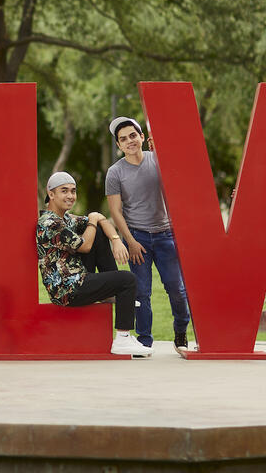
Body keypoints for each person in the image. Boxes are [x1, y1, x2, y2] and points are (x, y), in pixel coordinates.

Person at [37, 172, 150, 357]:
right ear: (51, 194)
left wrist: (115, 240)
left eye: (73, 191)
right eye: (64, 191)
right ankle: (122, 339)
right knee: (128, 279)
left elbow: (100, 220)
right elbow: (85, 246)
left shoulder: (66, 219)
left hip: (78, 277)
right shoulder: (50, 223)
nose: (70, 196)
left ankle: (112, 293)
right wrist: (93, 219)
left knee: (97, 231)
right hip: (66, 290)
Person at [105, 116, 191, 355]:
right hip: (137, 237)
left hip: (166, 235)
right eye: (123, 139)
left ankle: (181, 332)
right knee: (141, 292)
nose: (130, 141)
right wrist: (130, 241)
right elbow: (115, 211)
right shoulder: (115, 173)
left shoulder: (158, 160)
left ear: (142, 137)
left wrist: (164, 153)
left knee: (176, 288)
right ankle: (144, 341)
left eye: (133, 135)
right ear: (119, 145)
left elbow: (181, 179)